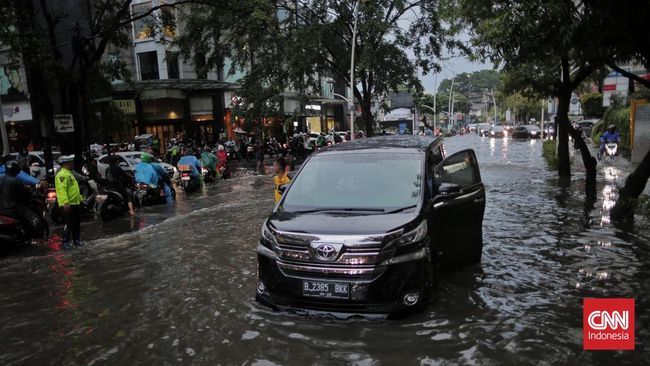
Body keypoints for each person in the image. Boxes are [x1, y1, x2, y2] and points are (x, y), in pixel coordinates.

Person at [0, 160, 47, 240]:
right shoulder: (15, 180)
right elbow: (26, 194)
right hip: (13, 208)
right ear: (16, 170)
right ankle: (39, 238)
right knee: (34, 218)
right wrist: (35, 193)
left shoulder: (1, 178)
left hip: (2, 208)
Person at [55, 155, 82, 249]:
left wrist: (81, 199)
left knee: (76, 223)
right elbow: (62, 190)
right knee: (69, 223)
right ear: (66, 164)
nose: (73, 164)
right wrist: (66, 203)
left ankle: (77, 240)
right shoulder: (62, 175)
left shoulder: (69, 173)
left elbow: (73, 189)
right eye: (71, 162)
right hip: (68, 204)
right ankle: (65, 242)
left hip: (75, 203)